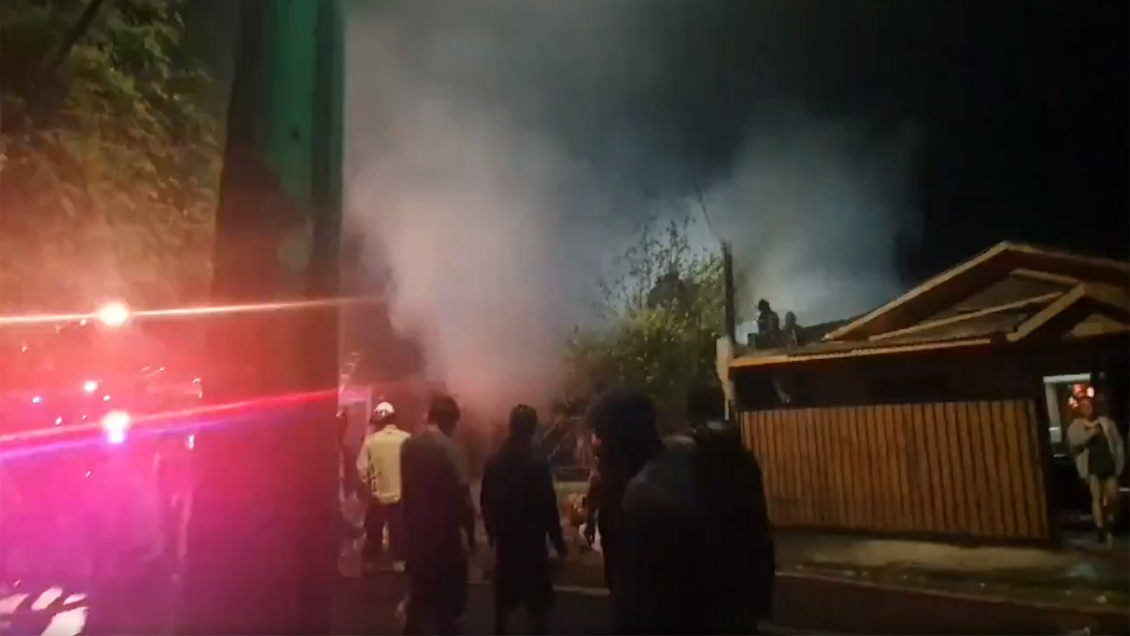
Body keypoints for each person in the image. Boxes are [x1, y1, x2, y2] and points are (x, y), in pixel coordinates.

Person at [593, 387, 775, 634]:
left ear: (617, 442)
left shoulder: (637, 502)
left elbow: (632, 595)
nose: (596, 448)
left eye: (600, 438)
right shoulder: (701, 465)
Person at [480, 405, 568, 635]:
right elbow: (548, 508)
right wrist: (559, 543)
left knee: (502, 610)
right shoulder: (537, 464)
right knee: (537, 611)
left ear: (511, 427)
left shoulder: (494, 462)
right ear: (532, 428)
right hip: (533, 546)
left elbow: (486, 501)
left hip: (506, 544)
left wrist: (492, 533)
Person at [399, 394, 476, 635]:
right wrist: (471, 536)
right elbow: (463, 498)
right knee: (449, 611)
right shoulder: (451, 449)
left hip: (416, 537)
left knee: (418, 603)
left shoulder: (408, 446)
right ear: (449, 420)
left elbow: (407, 494)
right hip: (446, 541)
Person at [357, 401, 411, 572]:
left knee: (374, 532)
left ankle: (372, 562)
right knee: (399, 532)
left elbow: (362, 469)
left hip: (377, 497)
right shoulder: (407, 439)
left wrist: (369, 487)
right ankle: (398, 562)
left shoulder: (371, 442)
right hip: (401, 497)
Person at [1067, 392, 1126, 545]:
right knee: (1097, 497)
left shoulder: (1106, 423)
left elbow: (1118, 442)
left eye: (1090, 405)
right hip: (1091, 467)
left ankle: (1110, 519)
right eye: (1084, 406)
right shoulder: (1077, 426)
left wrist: (1120, 461)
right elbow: (1074, 442)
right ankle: (1100, 527)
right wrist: (1090, 434)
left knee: (1113, 496)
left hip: (1108, 464)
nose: (1088, 409)